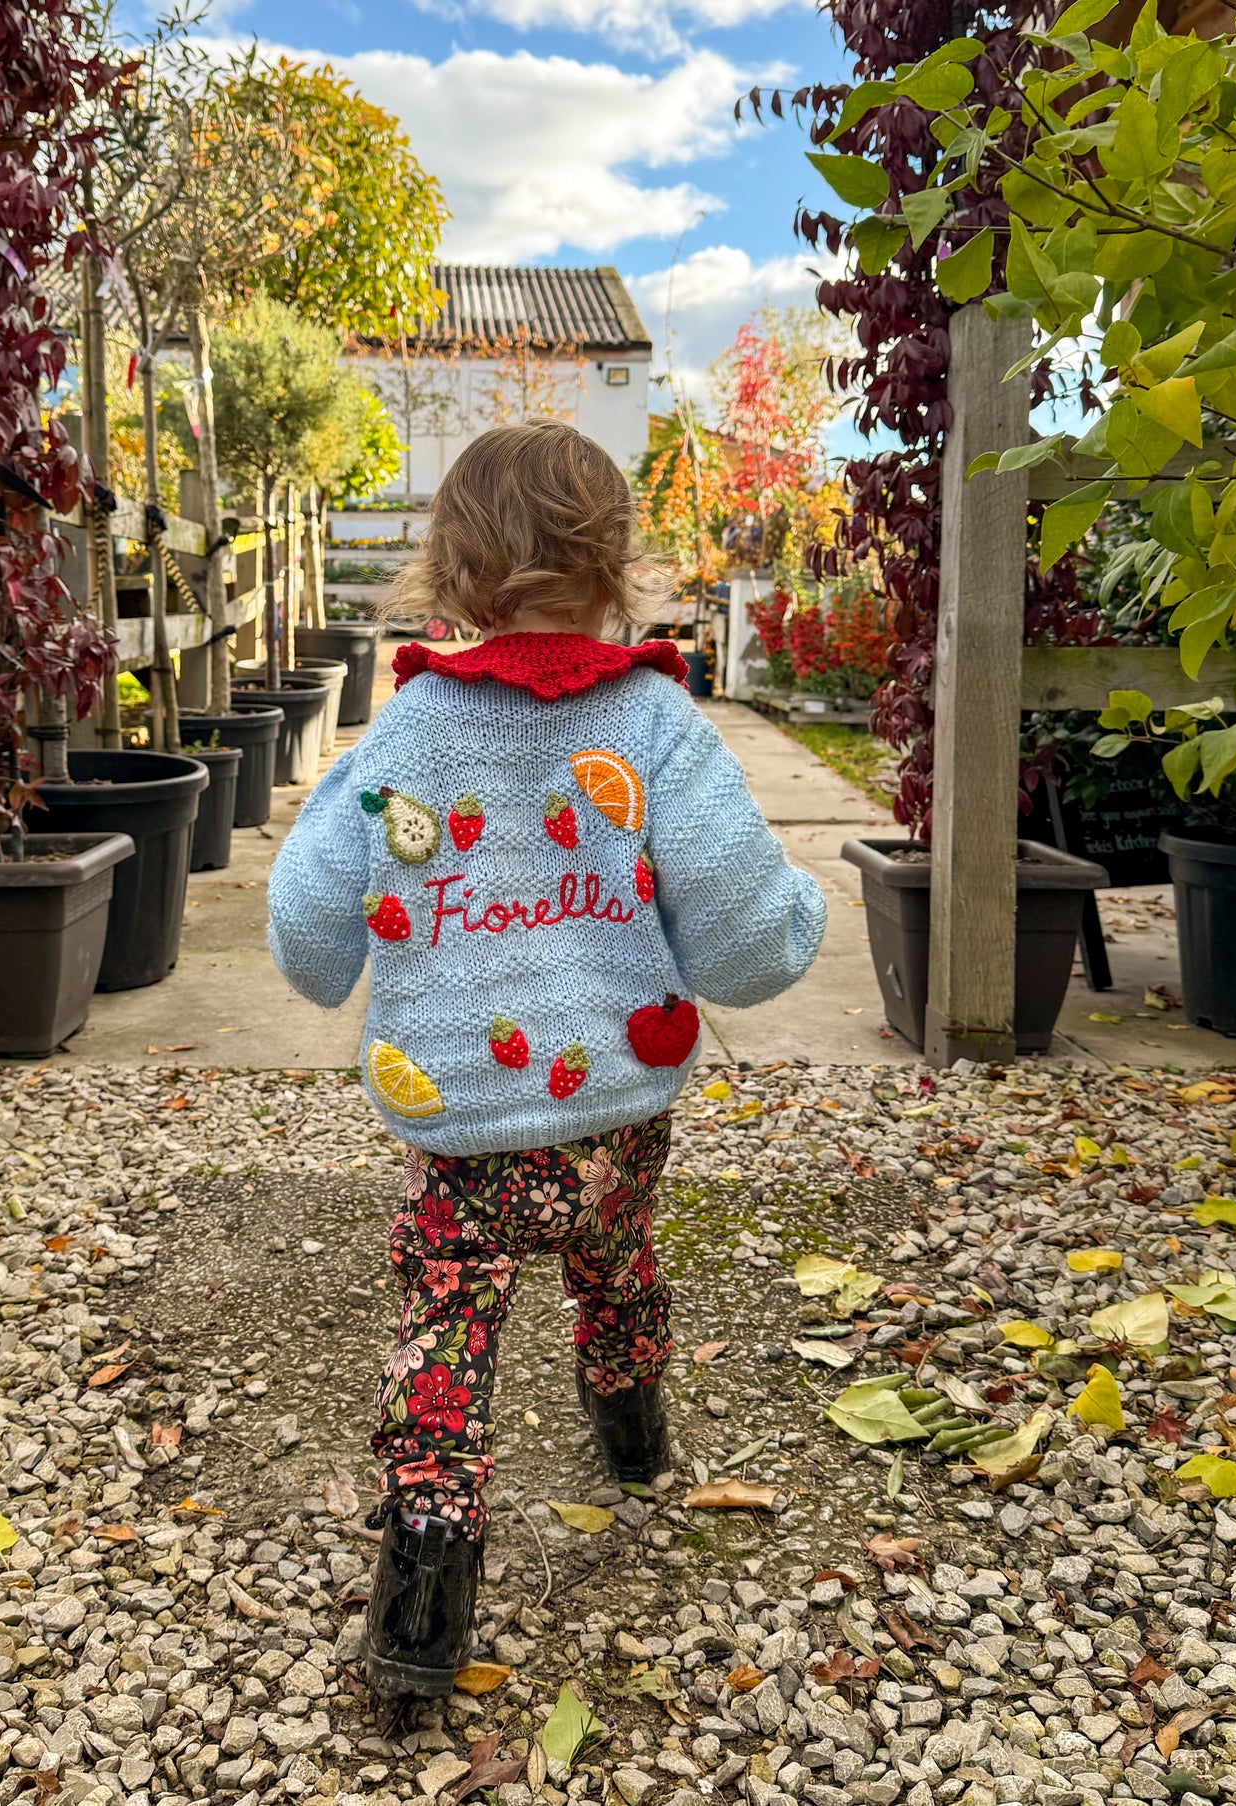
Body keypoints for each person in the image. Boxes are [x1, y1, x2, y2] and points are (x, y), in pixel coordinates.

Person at [266, 419, 826, 1700]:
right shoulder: (655, 726)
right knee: (616, 1266)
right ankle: (632, 1438)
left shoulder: (404, 733)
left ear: (451, 572)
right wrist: (802, 912)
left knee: (445, 1341)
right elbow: (741, 939)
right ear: (614, 564)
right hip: (609, 1124)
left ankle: (420, 1608)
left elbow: (303, 932)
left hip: (459, 1135)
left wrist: (334, 966)